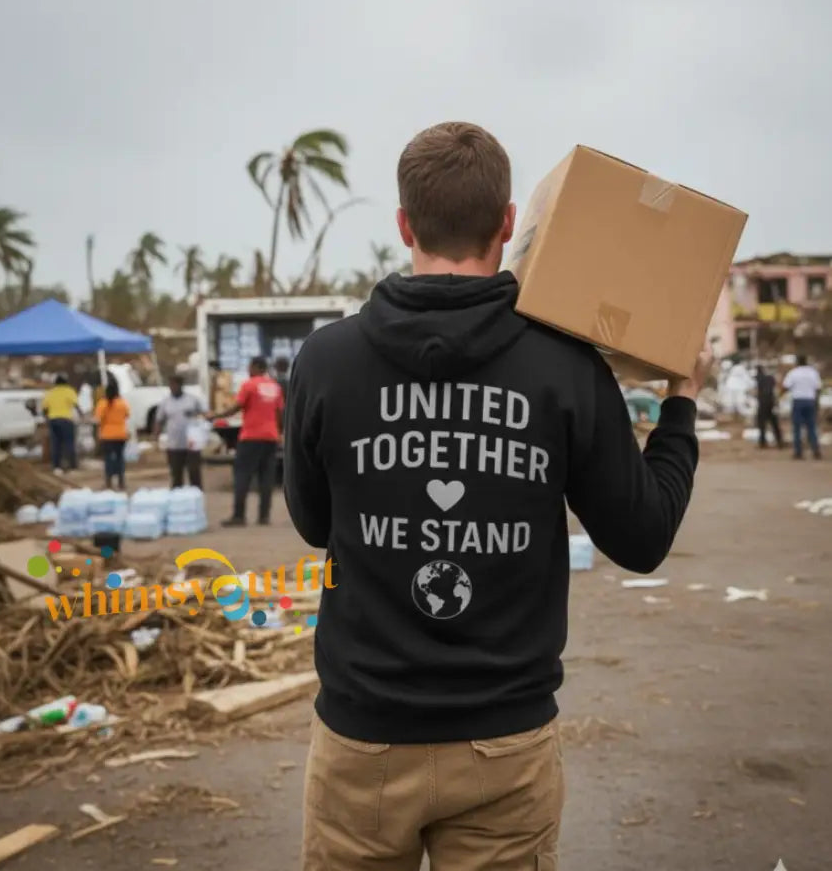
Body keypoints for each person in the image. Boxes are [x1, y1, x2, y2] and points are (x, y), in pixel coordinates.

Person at [284, 121, 710, 870]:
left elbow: (316, 525)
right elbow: (641, 539)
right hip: (503, 746)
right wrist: (678, 406)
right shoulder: (566, 367)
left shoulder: (326, 359)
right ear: (507, 223)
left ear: (403, 224)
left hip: (363, 739)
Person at [213, 356, 284, 526]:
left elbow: (236, 407)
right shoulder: (275, 387)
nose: (248, 370)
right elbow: (280, 413)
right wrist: (279, 432)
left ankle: (239, 516)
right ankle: (264, 516)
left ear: (255, 367)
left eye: (249, 367)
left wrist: (215, 415)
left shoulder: (249, 385)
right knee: (266, 478)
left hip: (251, 437)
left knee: (242, 475)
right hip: (271, 437)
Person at [154, 376, 206, 489]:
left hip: (191, 444)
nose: (172, 388)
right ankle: (178, 498)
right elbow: (159, 420)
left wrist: (197, 418)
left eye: (175, 385)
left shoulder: (192, 400)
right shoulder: (165, 402)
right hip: (174, 445)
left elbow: (204, 414)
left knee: (194, 472)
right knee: (176, 475)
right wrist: (156, 437)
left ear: (181, 385)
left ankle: (196, 495)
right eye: (171, 385)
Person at [783, 355, 823, 460]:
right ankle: (816, 450)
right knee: (811, 426)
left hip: (798, 401)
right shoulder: (813, 372)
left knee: (797, 427)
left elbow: (786, 386)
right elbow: (818, 388)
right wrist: (817, 402)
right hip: (810, 400)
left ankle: (798, 452)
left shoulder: (793, 373)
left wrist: (779, 396)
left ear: (797, 362)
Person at [94, 376, 130, 489]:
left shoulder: (102, 404)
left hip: (107, 435)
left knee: (109, 459)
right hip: (120, 435)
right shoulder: (122, 403)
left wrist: (97, 435)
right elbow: (127, 415)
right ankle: (121, 482)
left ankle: (109, 482)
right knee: (120, 458)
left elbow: (97, 420)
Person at [42, 374, 80, 475]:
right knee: (69, 444)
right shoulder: (69, 391)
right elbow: (76, 404)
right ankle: (72, 467)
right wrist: (81, 414)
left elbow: (44, 409)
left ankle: (57, 467)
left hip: (53, 420)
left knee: (56, 444)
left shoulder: (50, 392)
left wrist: (47, 417)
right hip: (66, 420)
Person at [755, 364, 783, 449]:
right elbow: (775, 390)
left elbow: (757, 391)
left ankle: (762, 442)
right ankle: (779, 441)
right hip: (771, 402)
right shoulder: (770, 378)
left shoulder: (758, 378)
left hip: (763, 403)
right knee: (774, 423)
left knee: (762, 424)